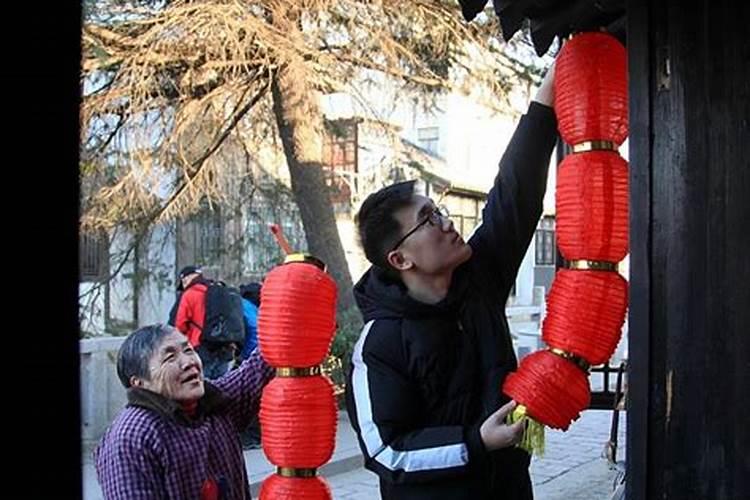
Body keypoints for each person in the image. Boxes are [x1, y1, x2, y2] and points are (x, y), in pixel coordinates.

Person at [344, 61, 558, 500]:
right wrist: (476, 442)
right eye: (428, 220)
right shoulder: (380, 343)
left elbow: (514, 195)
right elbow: (386, 450)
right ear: (400, 258)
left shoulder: (478, 282)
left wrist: (547, 98)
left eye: (438, 210)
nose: (445, 223)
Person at [94, 324, 274, 499]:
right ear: (139, 383)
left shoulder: (215, 402)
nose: (189, 363)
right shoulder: (131, 438)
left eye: (188, 350)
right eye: (170, 358)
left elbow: (261, 367)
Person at [174, 265, 235, 379]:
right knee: (222, 387)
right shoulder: (217, 290)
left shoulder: (189, 294)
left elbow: (180, 325)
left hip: (200, 347)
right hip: (222, 346)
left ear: (186, 279)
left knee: (202, 387)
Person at [237, 281, 263, 450]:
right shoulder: (256, 309)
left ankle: (249, 436)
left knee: (248, 398)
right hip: (262, 356)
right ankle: (256, 435)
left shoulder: (241, 306)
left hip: (248, 357)